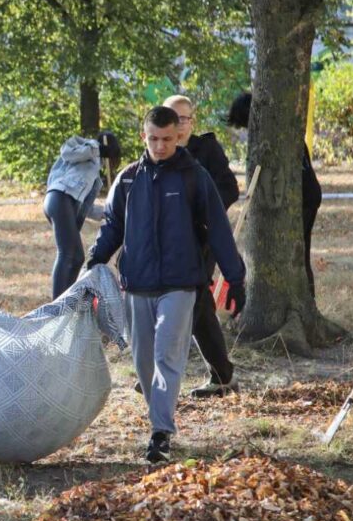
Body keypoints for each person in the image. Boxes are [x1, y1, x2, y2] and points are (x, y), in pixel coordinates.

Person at [86, 105, 246, 463]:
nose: (160, 147)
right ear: (145, 136)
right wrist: (94, 260)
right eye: (154, 139)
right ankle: (158, 414)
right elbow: (112, 227)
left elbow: (219, 230)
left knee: (167, 357)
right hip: (137, 284)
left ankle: (160, 433)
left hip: (180, 284)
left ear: (179, 136)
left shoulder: (194, 177)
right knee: (143, 363)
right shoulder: (127, 180)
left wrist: (235, 278)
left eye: (168, 140)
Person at [163, 95, 240, 398]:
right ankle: (223, 376)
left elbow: (229, 188)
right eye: (173, 117)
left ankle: (161, 371)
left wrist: (205, 214)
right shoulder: (159, 149)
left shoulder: (205, 149)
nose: (179, 124)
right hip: (167, 241)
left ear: (192, 122)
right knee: (200, 305)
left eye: (185, 118)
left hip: (202, 238)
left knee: (191, 297)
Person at [227, 92, 323, 298]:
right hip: (305, 195)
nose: (246, 131)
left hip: (304, 197)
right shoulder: (279, 129)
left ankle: (305, 300)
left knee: (297, 252)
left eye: (244, 125)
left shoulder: (274, 136)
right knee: (297, 251)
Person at [43, 132, 120, 299]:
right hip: (59, 197)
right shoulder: (86, 146)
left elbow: (88, 207)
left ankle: (67, 300)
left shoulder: (95, 176)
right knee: (67, 253)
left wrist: (109, 211)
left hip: (68, 204)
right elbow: (67, 152)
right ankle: (56, 307)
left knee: (78, 257)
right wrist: (97, 148)